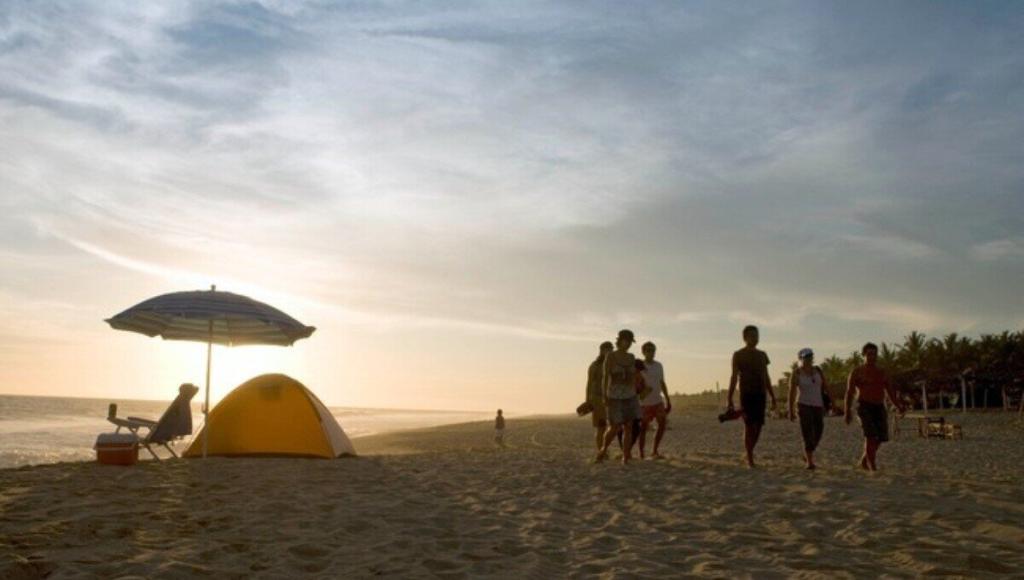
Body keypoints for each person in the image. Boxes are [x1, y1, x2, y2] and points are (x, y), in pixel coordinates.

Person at [845, 342, 906, 471]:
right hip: (864, 406)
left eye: (874, 354)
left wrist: (898, 405)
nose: (872, 357)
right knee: (870, 435)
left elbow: (890, 391)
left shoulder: (882, 372)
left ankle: (864, 460)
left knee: (881, 437)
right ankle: (872, 465)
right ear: (864, 355)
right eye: (869, 354)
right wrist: (847, 411)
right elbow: (849, 393)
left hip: (879, 406)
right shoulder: (857, 372)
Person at [727, 325, 776, 467]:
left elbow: (766, 376)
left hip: (761, 394)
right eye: (752, 336)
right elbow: (734, 376)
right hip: (746, 394)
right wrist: (729, 397)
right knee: (749, 426)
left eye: (757, 336)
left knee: (759, 426)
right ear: (745, 338)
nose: (755, 338)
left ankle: (749, 450)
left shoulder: (762, 355)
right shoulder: (738, 355)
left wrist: (772, 396)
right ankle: (749, 457)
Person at [596, 329, 641, 464]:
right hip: (614, 395)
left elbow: (633, 377)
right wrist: (604, 395)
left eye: (630, 342)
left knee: (628, 426)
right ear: (620, 341)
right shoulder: (611, 356)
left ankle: (625, 456)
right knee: (615, 427)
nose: (629, 344)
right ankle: (603, 449)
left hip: (630, 395)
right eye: (627, 341)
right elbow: (605, 378)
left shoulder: (631, 357)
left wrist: (636, 391)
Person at [788, 348, 828, 469]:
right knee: (807, 431)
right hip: (803, 404)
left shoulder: (818, 370)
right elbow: (792, 392)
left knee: (819, 431)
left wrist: (833, 402)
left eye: (810, 356)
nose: (809, 359)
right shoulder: (797, 373)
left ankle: (808, 452)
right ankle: (809, 461)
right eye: (806, 357)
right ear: (801, 358)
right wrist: (791, 410)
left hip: (818, 405)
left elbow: (826, 386)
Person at [638, 341, 672, 459]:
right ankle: (641, 453)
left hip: (658, 400)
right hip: (644, 403)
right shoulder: (640, 366)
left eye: (652, 350)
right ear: (643, 352)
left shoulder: (659, 365)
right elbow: (635, 383)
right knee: (643, 428)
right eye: (648, 350)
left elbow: (662, 382)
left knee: (662, 424)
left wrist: (667, 398)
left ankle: (655, 450)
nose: (651, 352)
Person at [585, 341, 614, 450]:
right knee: (601, 427)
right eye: (607, 349)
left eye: (611, 349)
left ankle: (604, 449)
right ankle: (601, 450)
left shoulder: (613, 364)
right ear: (601, 350)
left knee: (613, 426)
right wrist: (588, 400)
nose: (609, 351)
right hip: (598, 398)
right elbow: (589, 383)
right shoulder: (595, 365)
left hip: (611, 398)